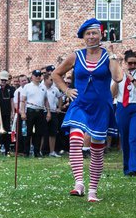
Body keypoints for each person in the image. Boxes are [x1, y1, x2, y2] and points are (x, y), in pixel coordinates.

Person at [51, 18, 122, 199]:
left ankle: (92, 191)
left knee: (97, 149)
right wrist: (66, 90)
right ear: (83, 37)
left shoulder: (108, 56)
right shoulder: (76, 56)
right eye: (88, 34)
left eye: (94, 33)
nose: (91, 37)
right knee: (75, 141)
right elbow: (56, 74)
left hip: (101, 107)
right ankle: (79, 183)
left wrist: (113, 55)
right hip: (80, 104)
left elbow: (118, 77)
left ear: (101, 35)